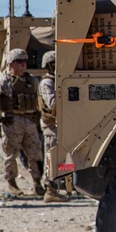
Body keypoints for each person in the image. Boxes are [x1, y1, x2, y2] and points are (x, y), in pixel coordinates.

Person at [0, 49, 45, 197]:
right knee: (10, 155)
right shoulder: (3, 81)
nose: (23, 64)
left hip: (30, 121)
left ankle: (37, 183)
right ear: (11, 63)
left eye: (25, 61)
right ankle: (12, 184)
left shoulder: (32, 80)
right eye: (20, 61)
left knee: (36, 154)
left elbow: (39, 101)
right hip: (11, 121)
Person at [37, 51, 69, 203]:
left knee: (60, 159)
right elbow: (52, 104)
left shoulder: (57, 81)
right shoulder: (47, 83)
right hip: (51, 126)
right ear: (50, 65)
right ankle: (50, 191)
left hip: (58, 126)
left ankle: (58, 188)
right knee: (51, 158)